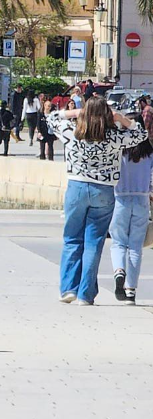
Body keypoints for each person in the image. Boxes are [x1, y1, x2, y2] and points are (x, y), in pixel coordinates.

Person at [47, 97, 148, 306]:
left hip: (76, 187)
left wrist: (75, 113)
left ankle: (68, 289)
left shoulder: (73, 133)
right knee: (94, 241)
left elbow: (51, 118)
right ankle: (85, 294)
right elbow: (141, 134)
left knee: (72, 238)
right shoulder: (113, 137)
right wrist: (122, 118)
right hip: (103, 190)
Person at [110, 120, 153, 305]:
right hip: (142, 199)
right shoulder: (150, 153)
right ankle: (130, 291)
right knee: (135, 246)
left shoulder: (119, 152)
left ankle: (119, 270)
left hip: (120, 198)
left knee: (118, 242)